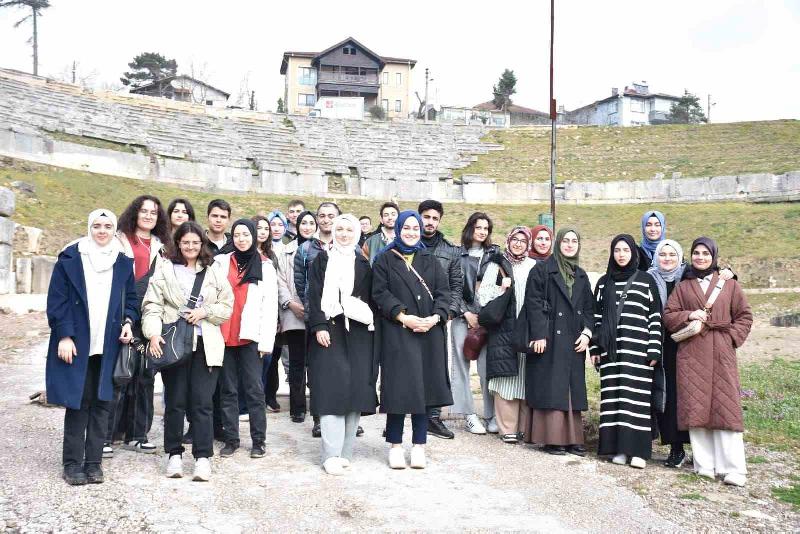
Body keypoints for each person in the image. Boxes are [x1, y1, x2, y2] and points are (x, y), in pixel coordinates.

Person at [47, 209, 137, 485]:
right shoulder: (71, 258)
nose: (101, 231)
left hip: (108, 344)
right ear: (89, 228)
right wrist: (64, 336)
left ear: (114, 230)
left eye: (107, 226)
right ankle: (72, 463)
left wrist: (128, 322)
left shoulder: (122, 262)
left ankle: (94, 463)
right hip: (77, 342)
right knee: (78, 402)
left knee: (102, 404)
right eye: (97, 226)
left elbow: (131, 300)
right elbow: (57, 300)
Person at [141, 221, 233, 481]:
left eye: (195, 242)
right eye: (185, 242)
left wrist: (205, 311)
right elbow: (152, 305)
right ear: (178, 244)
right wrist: (153, 333)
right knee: (175, 402)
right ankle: (174, 454)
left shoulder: (213, 271)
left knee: (203, 403)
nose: (190, 247)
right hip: (174, 344)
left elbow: (227, 306)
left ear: (202, 244)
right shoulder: (165, 269)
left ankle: (203, 457)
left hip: (206, 344)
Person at [664, 237, 753, 486]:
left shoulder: (729, 284)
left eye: (705, 253)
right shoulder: (683, 286)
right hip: (692, 353)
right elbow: (668, 316)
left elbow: (744, 316)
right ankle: (704, 465)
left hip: (721, 353)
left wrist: (731, 338)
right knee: (697, 407)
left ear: (713, 256)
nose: (700, 257)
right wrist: (690, 314)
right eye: (696, 253)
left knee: (726, 408)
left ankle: (733, 468)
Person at [372, 211, 452, 469]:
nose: (411, 232)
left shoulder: (430, 259)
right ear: (398, 229)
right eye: (406, 227)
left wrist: (435, 318)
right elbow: (379, 293)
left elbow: (444, 293)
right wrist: (403, 317)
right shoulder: (385, 259)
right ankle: (395, 445)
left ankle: (419, 445)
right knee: (398, 389)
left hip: (429, 332)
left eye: (415, 228)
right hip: (399, 332)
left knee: (424, 391)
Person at [307, 214, 378, 475]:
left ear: (357, 233)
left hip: (359, 333)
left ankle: (345, 453)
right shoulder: (322, 260)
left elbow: (370, 299)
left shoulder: (363, 263)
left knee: (354, 391)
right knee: (330, 391)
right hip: (330, 329)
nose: (344, 234)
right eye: (340, 229)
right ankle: (330, 454)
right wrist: (319, 326)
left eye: (349, 230)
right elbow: (314, 295)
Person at [590, 235, 662, 469]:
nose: (621, 255)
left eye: (626, 250)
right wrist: (595, 348)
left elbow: (655, 317)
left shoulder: (646, 281)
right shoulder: (603, 283)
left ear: (633, 253)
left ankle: (638, 451)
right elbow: (596, 318)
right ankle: (618, 449)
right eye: (617, 250)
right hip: (611, 352)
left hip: (638, 351)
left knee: (636, 400)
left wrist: (654, 349)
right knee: (614, 399)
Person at [107, 195, 168, 456]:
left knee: (145, 375)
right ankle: (106, 434)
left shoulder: (162, 246)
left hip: (150, 316)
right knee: (119, 373)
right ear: (135, 212)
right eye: (144, 211)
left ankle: (138, 434)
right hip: (121, 314)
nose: (148, 216)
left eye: (153, 212)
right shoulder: (117, 239)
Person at [524, 227, 594, 455]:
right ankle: (552, 438)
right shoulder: (542, 270)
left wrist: (587, 333)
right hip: (549, 338)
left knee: (571, 388)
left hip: (573, 340)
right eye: (566, 240)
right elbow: (533, 303)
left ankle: (573, 439)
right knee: (552, 387)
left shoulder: (581, 274)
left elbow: (589, 309)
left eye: (574, 241)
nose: (570, 245)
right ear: (558, 243)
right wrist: (538, 334)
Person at [216, 219, 279, 459]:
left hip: (251, 337)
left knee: (254, 390)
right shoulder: (222, 262)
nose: (241, 239)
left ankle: (258, 440)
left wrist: (266, 342)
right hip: (224, 335)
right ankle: (231, 439)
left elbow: (270, 307)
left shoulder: (265, 266)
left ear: (253, 237)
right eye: (237, 235)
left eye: (246, 234)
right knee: (228, 390)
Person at [478, 227, 537, 443]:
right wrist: (501, 289)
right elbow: (483, 296)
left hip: (527, 325)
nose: (518, 244)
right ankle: (507, 428)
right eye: (515, 239)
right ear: (508, 241)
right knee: (505, 376)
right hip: (504, 326)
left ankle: (523, 428)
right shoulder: (497, 264)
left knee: (524, 375)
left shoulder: (534, 265)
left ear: (528, 244)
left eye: (523, 240)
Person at [294, 202, 340, 437]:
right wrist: (312, 308)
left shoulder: (348, 245)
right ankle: (319, 417)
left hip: (342, 317)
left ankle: (344, 414)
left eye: (331, 215)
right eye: (322, 215)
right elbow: (301, 282)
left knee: (342, 367)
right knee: (318, 369)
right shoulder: (305, 249)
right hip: (316, 316)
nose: (326, 219)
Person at [417, 199, 462, 439]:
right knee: (409, 366)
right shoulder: (407, 245)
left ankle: (433, 418)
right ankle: (404, 415)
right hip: (409, 317)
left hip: (437, 318)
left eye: (435, 218)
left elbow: (456, 287)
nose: (430, 222)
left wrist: (447, 314)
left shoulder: (450, 251)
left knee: (436, 368)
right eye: (426, 217)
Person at [451, 212, 499, 434]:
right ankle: (469, 415)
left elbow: (501, 286)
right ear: (470, 228)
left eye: (486, 228)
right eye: (478, 227)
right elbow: (451, 286)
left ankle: (491, 415)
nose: (482, 232)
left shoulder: (494, 254)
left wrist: (484, 315)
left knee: (486, 367)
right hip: (462, 317)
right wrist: (465, 312)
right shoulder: (456, 253)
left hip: (486, 319)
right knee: (461, 366)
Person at [278, 211, 317, 422]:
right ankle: (298, 407)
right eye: (304, 223)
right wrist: (291, 304)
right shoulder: (286, 251)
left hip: (317, 314)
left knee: (317, 363)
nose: (307, 226)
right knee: (296, 363)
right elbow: (280, 280)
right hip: (294, 313)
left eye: (311, 223)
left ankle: (318, 405)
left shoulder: (321, 248)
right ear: (297, 225)